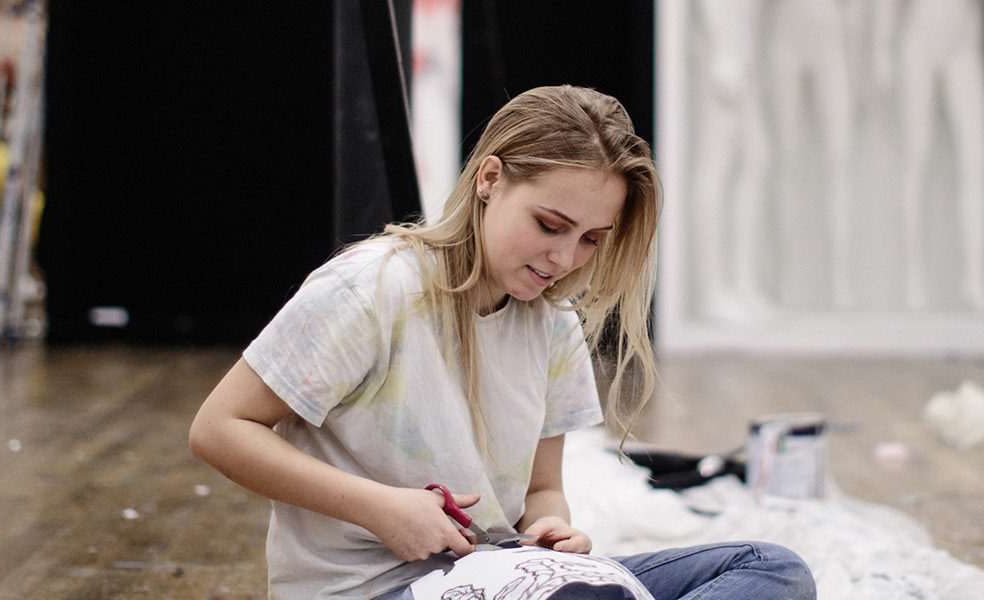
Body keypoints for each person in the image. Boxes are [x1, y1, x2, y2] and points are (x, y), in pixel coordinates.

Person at [189, 85, 816, 600]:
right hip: (371, 591)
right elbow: (219, 428)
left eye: (593, 238)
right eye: (550, 225)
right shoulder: (373, 288)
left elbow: (541, 491)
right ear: (490, 178)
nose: (566, 258)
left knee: (772, 568)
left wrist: (552, 527)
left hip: (502, 575)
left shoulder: (552, 324)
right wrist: (380, 508)